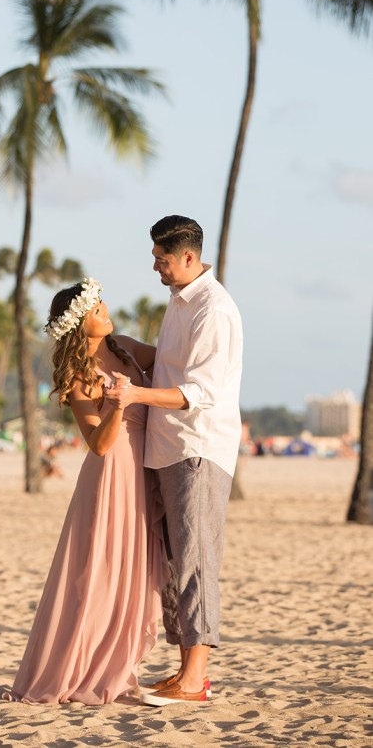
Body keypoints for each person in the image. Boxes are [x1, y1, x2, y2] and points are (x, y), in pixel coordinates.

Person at [105, 215, 243, 705]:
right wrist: (110, 346)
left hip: (197, 448)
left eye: (162, 260)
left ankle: (195, 679)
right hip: (167, 448)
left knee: (195, 561)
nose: (156, 268)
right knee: (173, 563)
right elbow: (164, 362)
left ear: (188, 257)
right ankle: (186, 671)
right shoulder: (180, 301)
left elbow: (200, 392)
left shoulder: (214, 308)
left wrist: (134, 395)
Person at [4, 277, 162, 704]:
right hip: (110, 478)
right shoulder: (79, 378)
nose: (104, 310)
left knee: (132, 573)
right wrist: (118, 404)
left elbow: (171, 357)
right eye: (95, 309)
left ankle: (117, 664)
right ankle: (75, 670)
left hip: (142, 471)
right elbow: (100, 445)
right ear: (78, 325)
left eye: (100, 303)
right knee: (96, 573)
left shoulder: (125, 347)